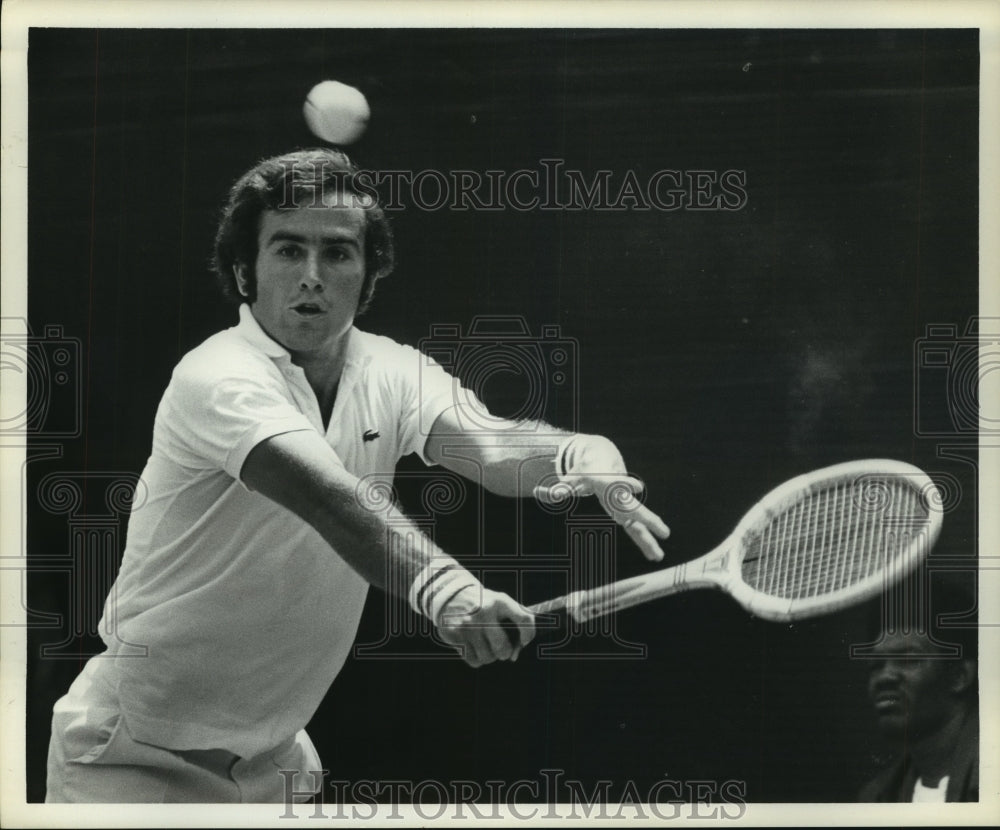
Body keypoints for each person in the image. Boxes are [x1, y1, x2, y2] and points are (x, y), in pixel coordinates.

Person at [44, 147, 670, 803]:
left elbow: (493, 446)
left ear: (368, 274)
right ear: (244, 270)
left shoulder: (392, 371)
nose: (312, 276)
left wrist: (581, 454)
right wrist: (448, 593)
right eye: (288, 251)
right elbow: (328, 496)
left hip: (275, 772)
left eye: (338, 253)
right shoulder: (216, 376)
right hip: (131, 764)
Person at [859, 608, 978, 802]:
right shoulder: (876, 798)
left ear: (959, 676)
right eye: (875, 665)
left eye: (908, 660)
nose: (884, 677)